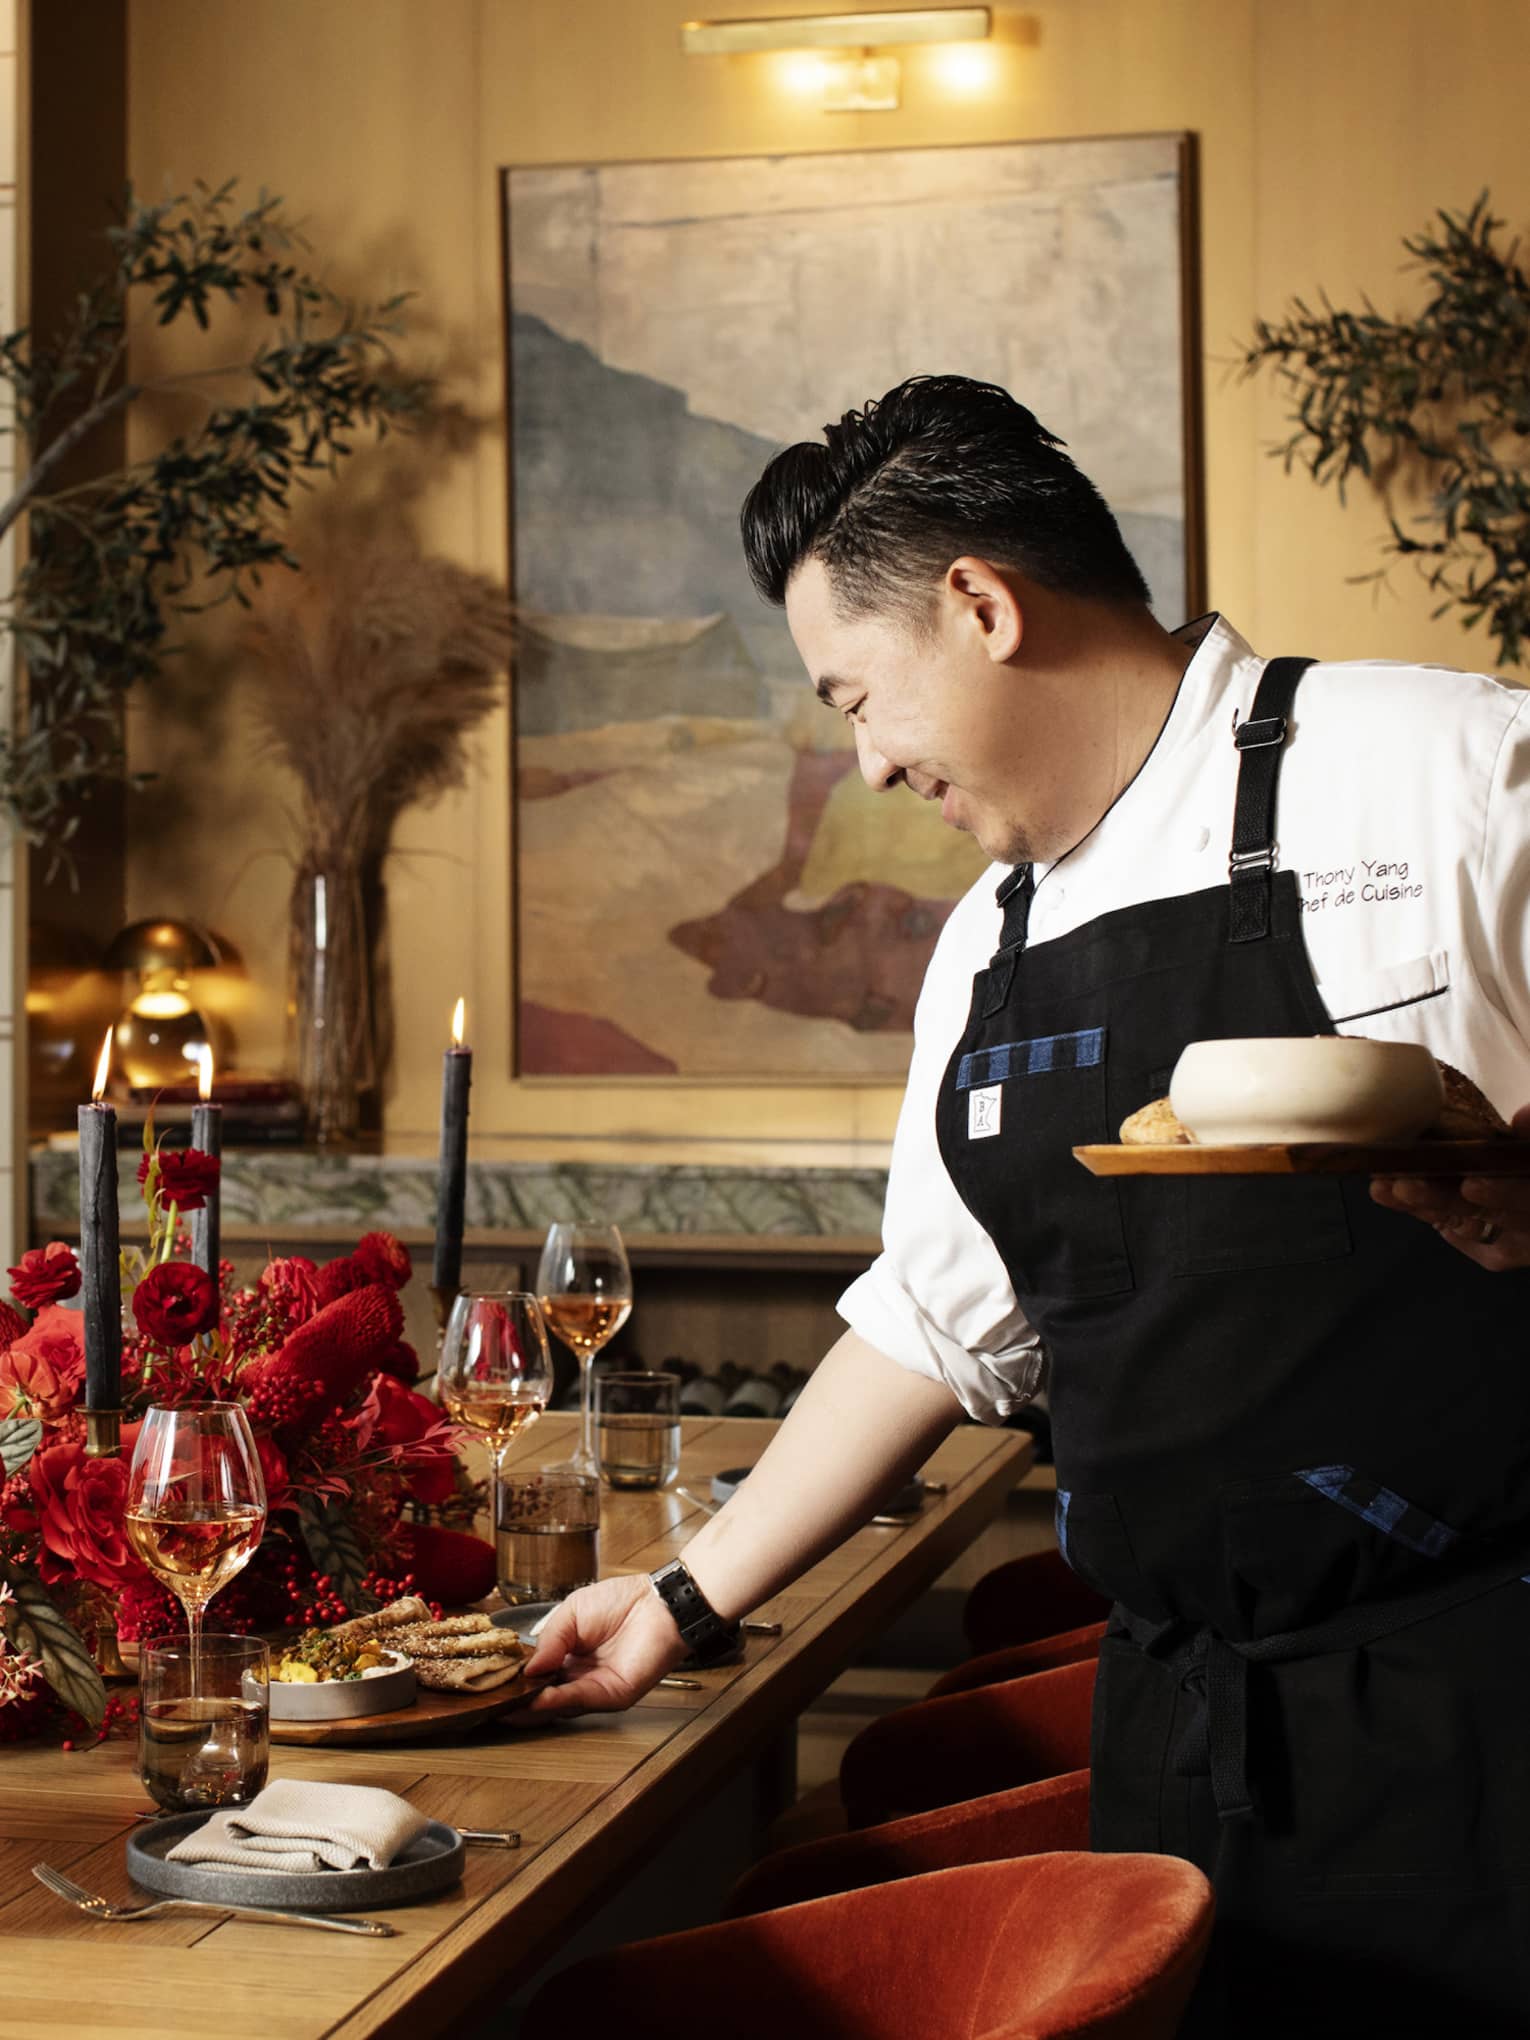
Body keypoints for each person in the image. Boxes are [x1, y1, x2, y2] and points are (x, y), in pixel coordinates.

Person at [527, 376, 1530, 2033]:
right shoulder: (981, 950)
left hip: (1478, 1707)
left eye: (856, 695)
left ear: (979, 605)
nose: (860, 764)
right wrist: (683, 1597)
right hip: (1175, 1739)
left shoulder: (1446, 772)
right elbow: (931, 1325)